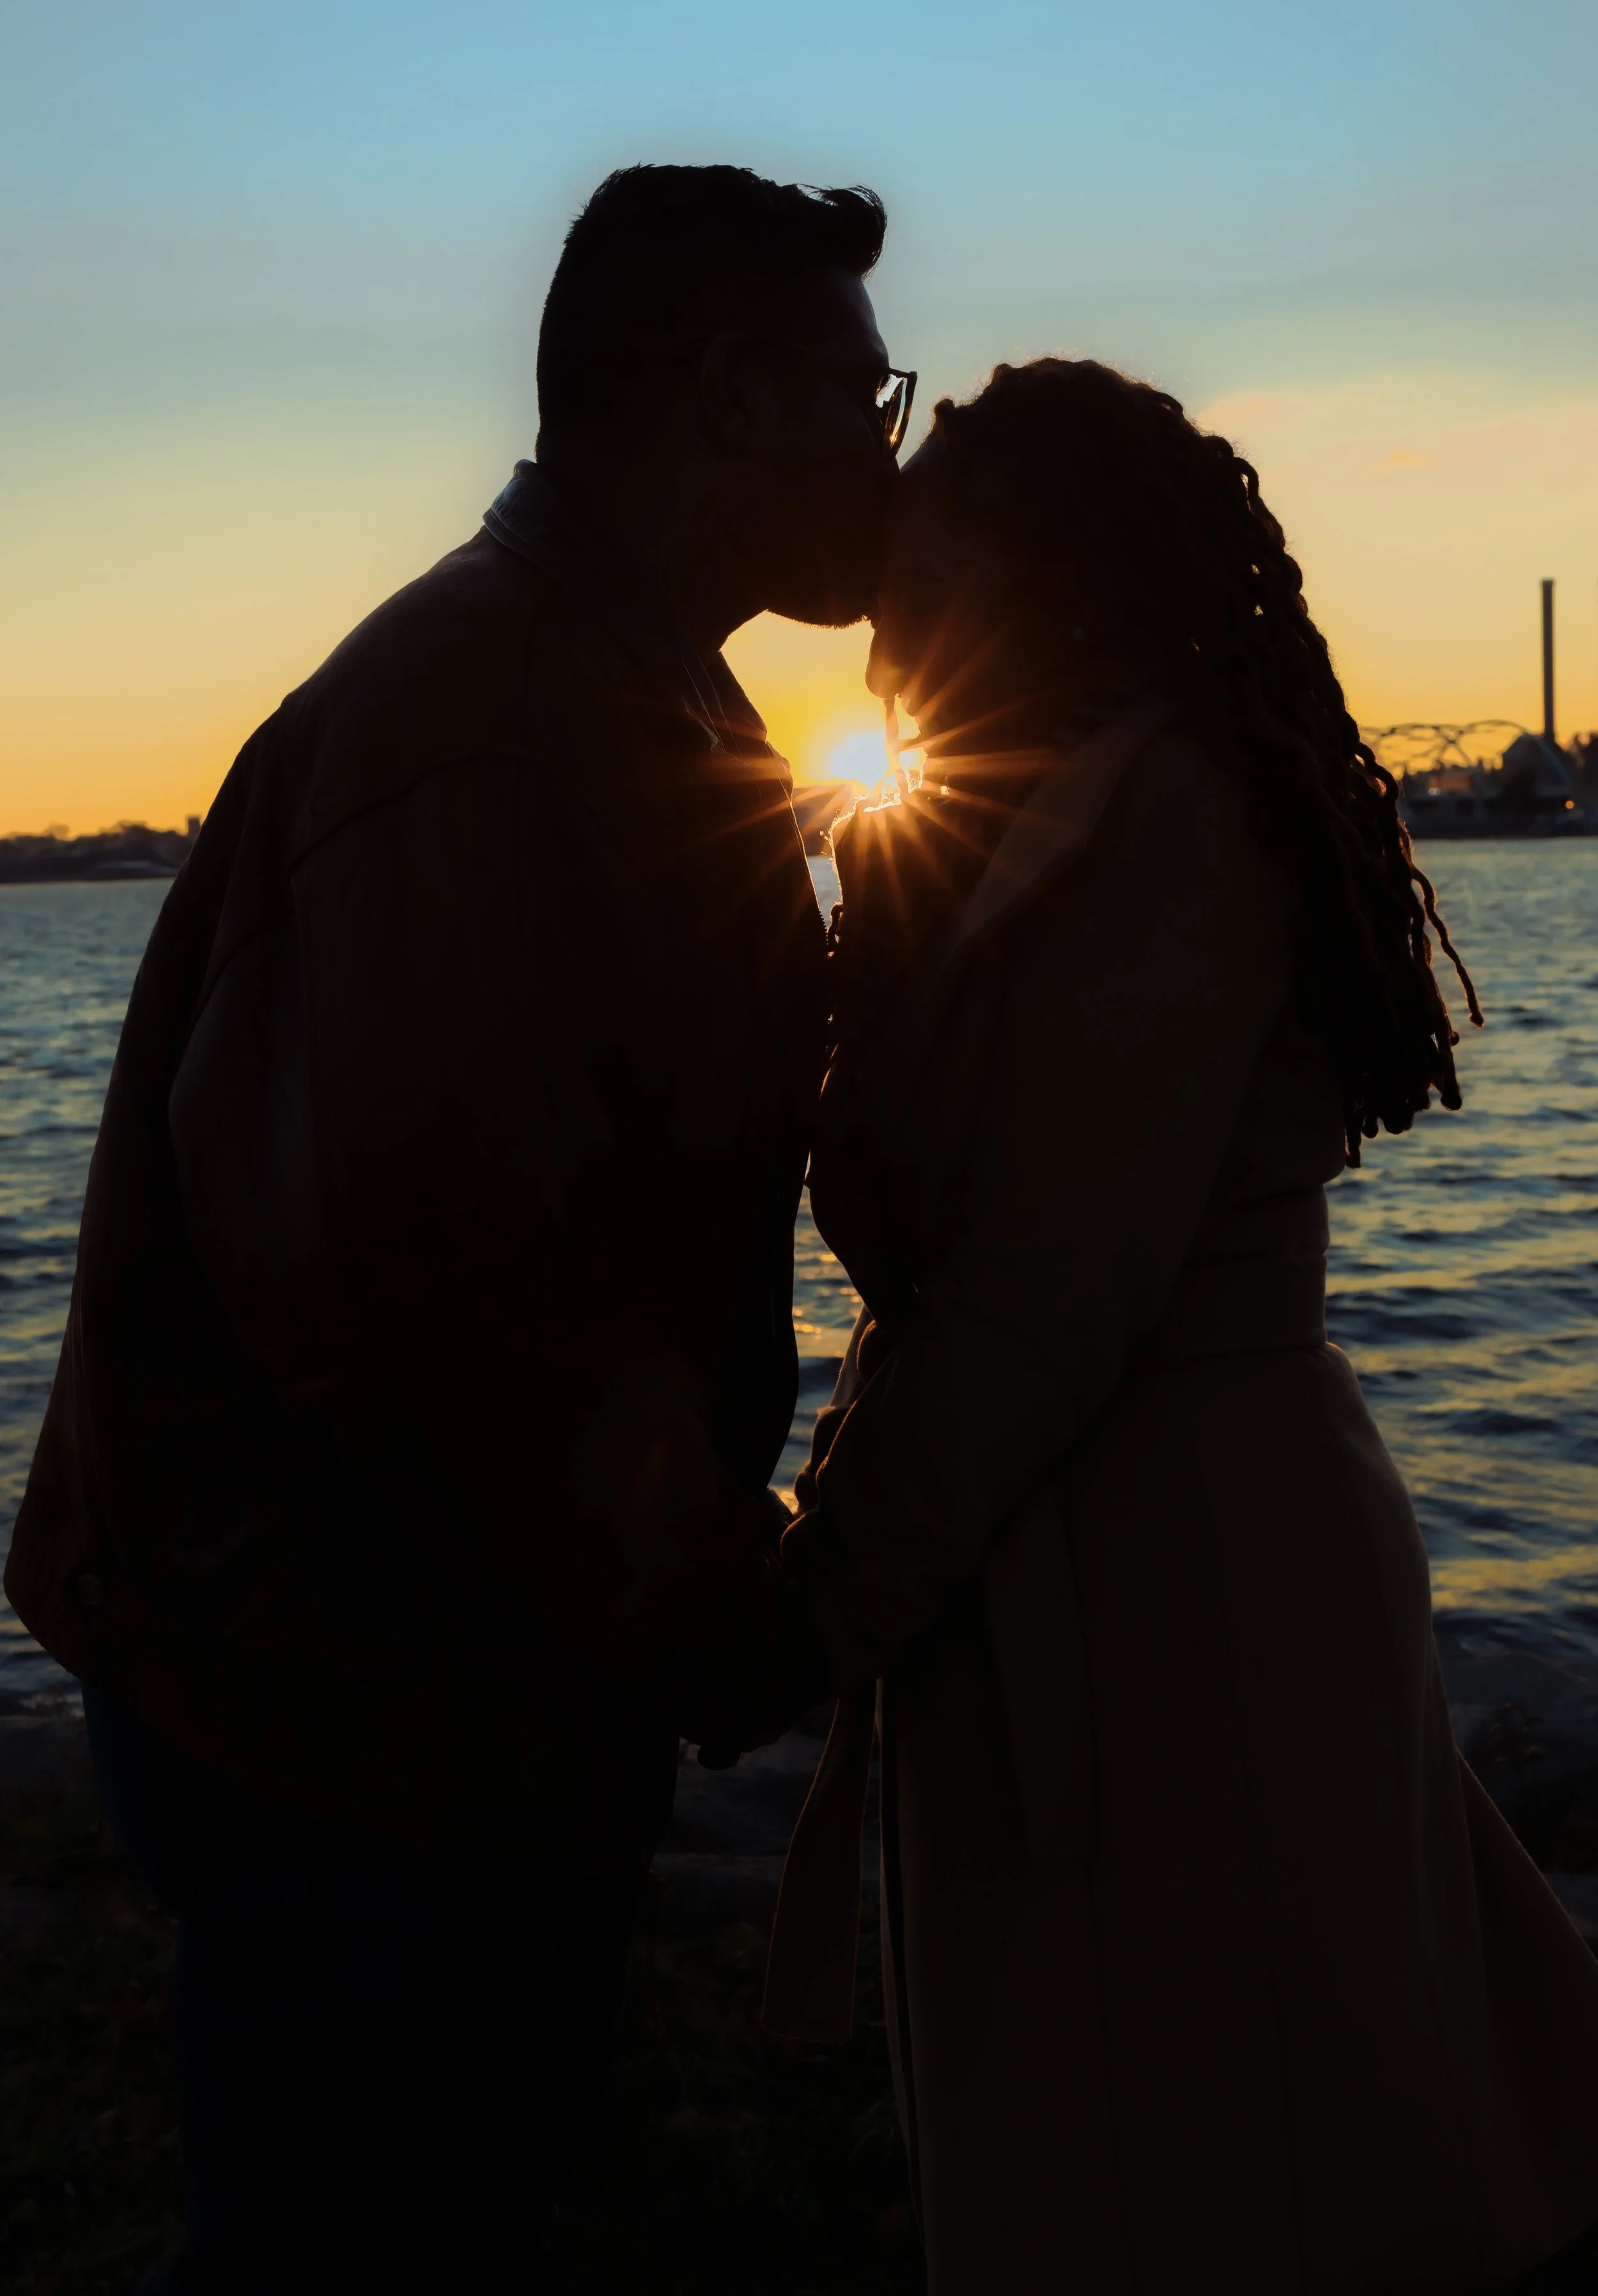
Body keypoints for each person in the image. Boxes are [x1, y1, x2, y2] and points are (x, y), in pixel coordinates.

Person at [4, 162, 913, 2290]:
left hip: (422, 1691)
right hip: (367, 1724)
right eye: (866, 406)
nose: (890, 461)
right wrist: (733, 1625)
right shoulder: (502, 732)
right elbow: (454, 1323)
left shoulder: (610, 687)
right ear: (725, 392)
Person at [766, 359, 1598, 2293]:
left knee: (1247, 2156)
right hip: (1070, 1561)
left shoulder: (1169, 816)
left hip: (1185, 1572)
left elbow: (1051, 1289)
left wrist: (816, 1599)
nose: (892, 542)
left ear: (1051, 556)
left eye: (939, 504)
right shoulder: (988, 817)